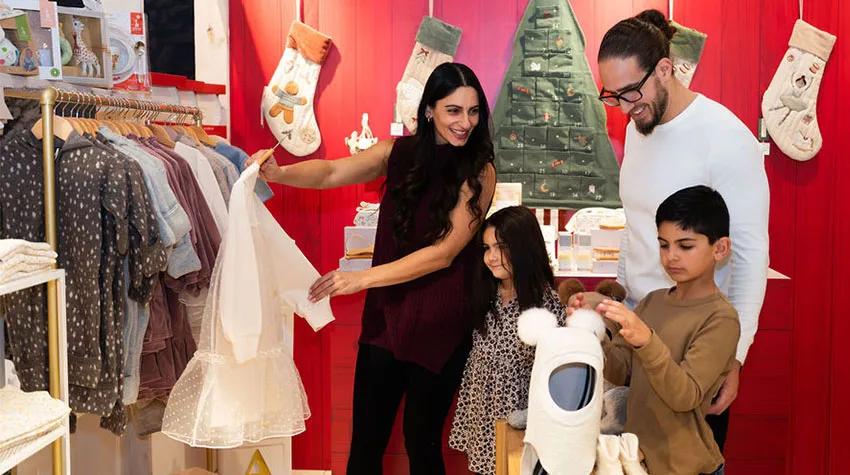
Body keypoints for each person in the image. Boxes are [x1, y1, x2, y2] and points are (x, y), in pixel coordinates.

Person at [248, 62, 497, 475]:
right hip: (387, 316)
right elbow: (330, 171)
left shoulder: (480, 171)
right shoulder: (394, 153)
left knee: (422, 443)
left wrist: (361, 278)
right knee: (365, 444)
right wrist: (279, 172)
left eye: (473, 112)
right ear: (430, 110)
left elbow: (443, 253)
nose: (465, 122)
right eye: (454, 110)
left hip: (442, 322)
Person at [596, 9, 769, 449]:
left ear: (666, 70)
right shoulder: (640, 125)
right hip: (637, 328)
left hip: (695, 342)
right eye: (612, 97)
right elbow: (635, 221)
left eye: (632, 92)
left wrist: (735, 358)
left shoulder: (726, 138)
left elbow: (749, 256)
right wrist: (618, 295)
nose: (625, 109)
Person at [580, 185, 739, 475]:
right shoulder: (653, 301)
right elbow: (619, 372)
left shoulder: (721, 318)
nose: (671, 256)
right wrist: (593, 330)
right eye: (664, 245)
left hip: (688, 467)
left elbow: (685, 396)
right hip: (637, 460)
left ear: (720, 248)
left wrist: (646, 341)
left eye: (685, 245)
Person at [448, 206, 565, 475]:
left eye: (500, 247)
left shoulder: (545, 304)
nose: (491, 257)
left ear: (523, 247)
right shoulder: (488, 294)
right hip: (483, 409)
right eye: (487, 248)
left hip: (519, 417)